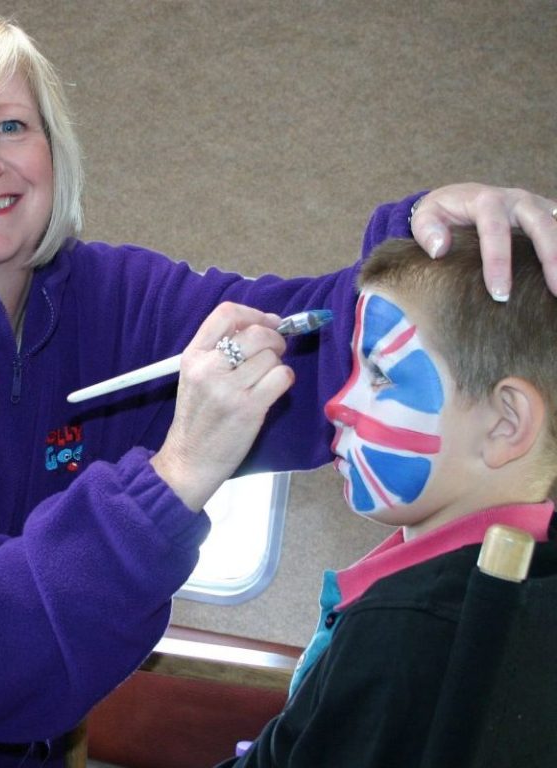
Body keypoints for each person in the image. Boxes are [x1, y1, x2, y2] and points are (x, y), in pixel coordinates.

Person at [0, 6, 555, 767]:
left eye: (12, 126)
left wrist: (426, 236)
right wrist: (175, 475)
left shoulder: (111, 296)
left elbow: (320, 343)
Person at [216, 227, 557, 768]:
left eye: (379, 375)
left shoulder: (404, 630)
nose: (336, 403)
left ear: (505, 423)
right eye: (353, 369)